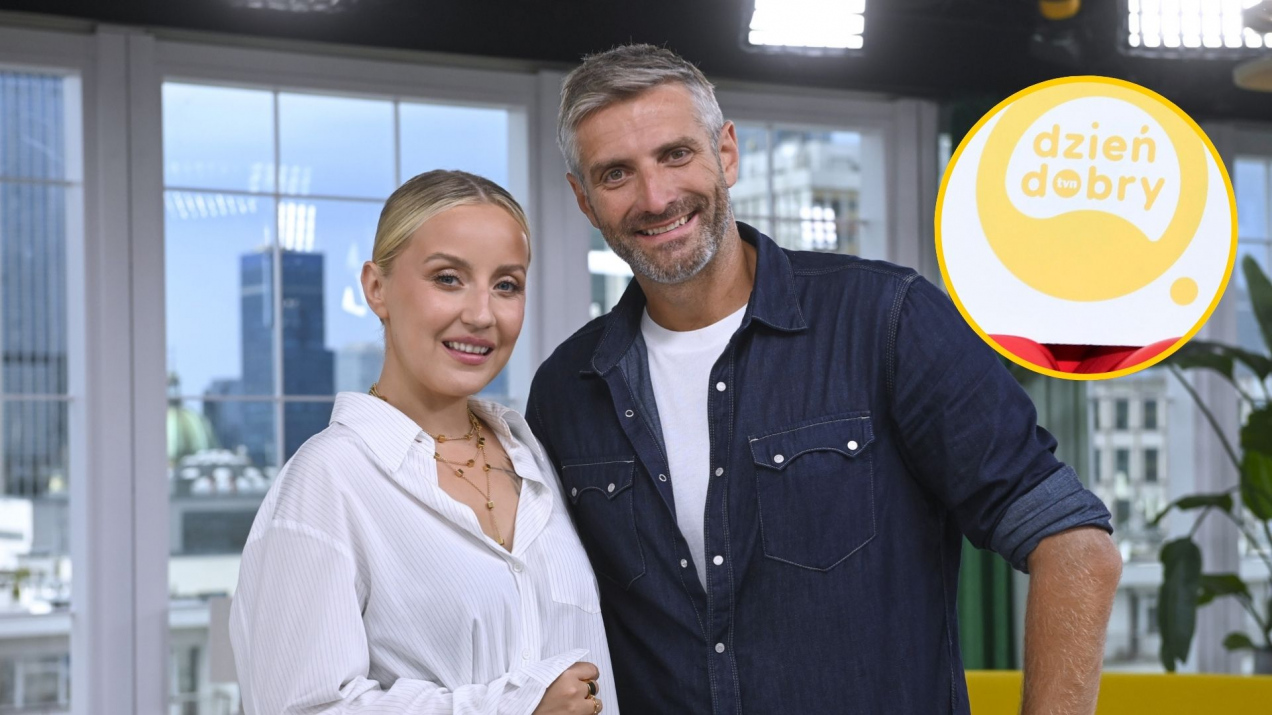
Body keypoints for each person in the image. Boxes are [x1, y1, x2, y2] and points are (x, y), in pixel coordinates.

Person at [526, 45, 1121, 714]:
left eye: (675, 154)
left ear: (726, 153)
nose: (655, 196)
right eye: (615, 173)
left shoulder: (886, 320)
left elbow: (1075, 546)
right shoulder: (565, 391)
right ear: (583, 199)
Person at [230, 170, 614, 715]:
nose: (481, 314)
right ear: (376, 287)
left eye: (506, 285)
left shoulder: (534, 459)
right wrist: (512, 709)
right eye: (448, 278)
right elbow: (303, 708)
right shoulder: (328, 481)